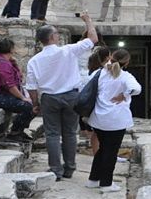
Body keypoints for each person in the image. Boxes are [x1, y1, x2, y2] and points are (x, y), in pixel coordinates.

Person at [26, 13, 99, 181]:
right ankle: (69, 168)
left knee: (52, 134)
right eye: (57, 34)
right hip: (71, 96)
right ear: (52, 37)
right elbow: (93, 38)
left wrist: (35, 104)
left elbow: (31, 86)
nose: (58, 36)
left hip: (49, 98)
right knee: (70, 133)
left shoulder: (34, 60)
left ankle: (55, 170)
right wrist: (88, 20)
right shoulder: (68, 51)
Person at [85, 48, 142, 193]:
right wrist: (125, 94)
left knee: (103, 149)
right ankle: (106, 183)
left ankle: (93, 179)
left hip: (98, 118)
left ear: (111, 57)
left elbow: (86, 85)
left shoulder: (101, 73)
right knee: (111, 152)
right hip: (116, 120)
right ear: (127, 62)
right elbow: (137, 88)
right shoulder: (125, 76)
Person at [0, 38, 34, 140]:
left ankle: (19, 130)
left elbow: (19, 78)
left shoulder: (3, 61)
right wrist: (23, 98)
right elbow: (10, 86)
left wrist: (15, 64)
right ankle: (15, 132)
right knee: (28, 106)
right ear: (11, 49)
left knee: (34, 104)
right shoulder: (2, 64)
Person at [80, 43, 111, 156]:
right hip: (98, 105)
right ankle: (99, 155)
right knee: (99, 133)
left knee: (96, 133)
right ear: (107, 57)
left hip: (94, 106)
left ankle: (98, 154)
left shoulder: (93, 72)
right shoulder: (101, 73)